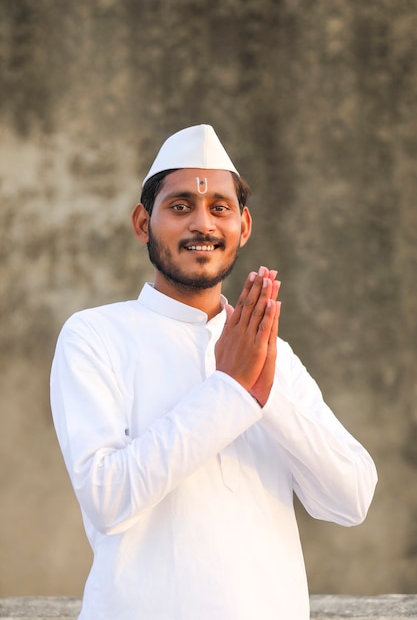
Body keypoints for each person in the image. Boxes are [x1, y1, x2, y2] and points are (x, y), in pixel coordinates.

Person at [50, 124, 377, 620]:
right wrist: (229, 391)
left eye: (219, 208)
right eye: (180, 206)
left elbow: (350, 499)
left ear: (243, 227)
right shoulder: (94, 336)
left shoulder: (268, 352)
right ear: (143, 223)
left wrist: (264, 392)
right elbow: (106, 499)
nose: (202, 223)